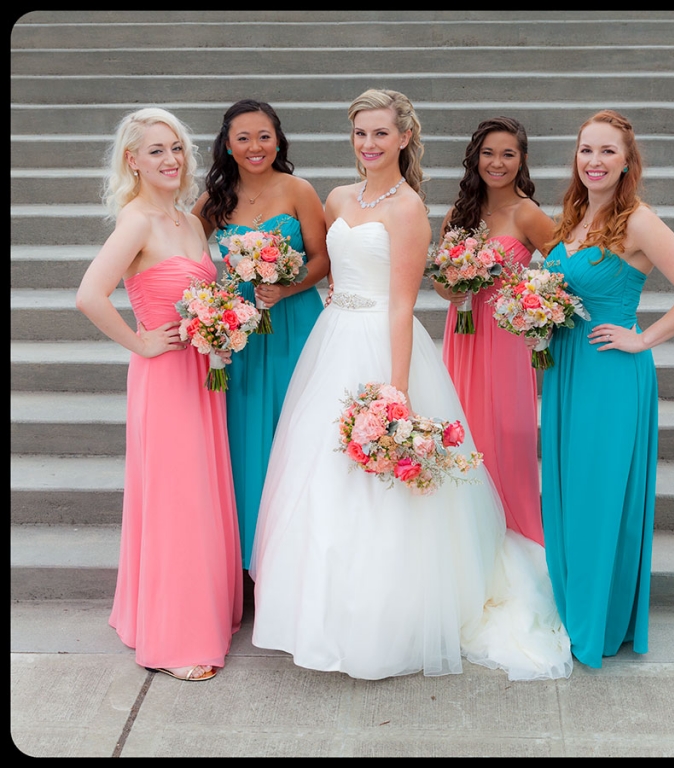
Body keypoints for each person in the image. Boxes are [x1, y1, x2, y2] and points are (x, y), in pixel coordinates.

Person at [249, 88, 572, 681]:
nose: (368, 145)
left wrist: (395, 392)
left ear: (403, 138)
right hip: (332, 339)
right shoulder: (338, 197)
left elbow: (401, 307)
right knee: (317, 474)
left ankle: (385, 621)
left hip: (381, 342)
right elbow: (327, 268)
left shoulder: (408, 210)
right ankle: (317, 616)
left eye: (379, 134)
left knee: (381, 484)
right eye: (359, 134)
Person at [539, 109, 674, 668]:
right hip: (567, 370)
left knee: (597, 494)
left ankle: (598, 622)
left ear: (626, 161)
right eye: (586, 150)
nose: (594, 161)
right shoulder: (573, 216)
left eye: (607, 152)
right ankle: (578, 610)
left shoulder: (637, 219)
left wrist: (644, 340)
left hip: (610, 374)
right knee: (569, 493)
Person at [75, 107, 243, 681]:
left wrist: (224, 328)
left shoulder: (189, 222)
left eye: (175, 148)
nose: (170, 159)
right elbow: (90, 295)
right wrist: (138, 343)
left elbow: (203, 294)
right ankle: (174, 641)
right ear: (133, 161)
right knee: (176, 498)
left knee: (198, 491)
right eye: (155, 151)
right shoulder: (137, 221)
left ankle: (194, 612)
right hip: (164, 379)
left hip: (203, 377)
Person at [192, 99, 329, 571]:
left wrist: (287, 285)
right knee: (248, 437)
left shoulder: (298, 190)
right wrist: (210, 303)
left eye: (264, 137)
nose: (255, 147)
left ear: (278, 141)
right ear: (227, 145)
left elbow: (322, 259)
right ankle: (251, 561)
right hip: (243, 332)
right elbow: (185, 250)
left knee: (297, 432)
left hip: (295, 324)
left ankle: (297, 563)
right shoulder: (215, 200)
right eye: (244, 138)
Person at [432, 117, 555, 546]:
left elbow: (564, 272)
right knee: (465, 430)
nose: (496, 163)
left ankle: (516, 532)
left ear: (522, 160)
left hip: (504, 337)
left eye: (507, 154)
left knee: (505, 434)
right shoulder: (458, 214)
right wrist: (457, 280)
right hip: (463, 332)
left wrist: (531, 301)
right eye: (488, 153)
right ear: (474, 158)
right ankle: (468, 540)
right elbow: (440, 284)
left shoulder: (528, 213)